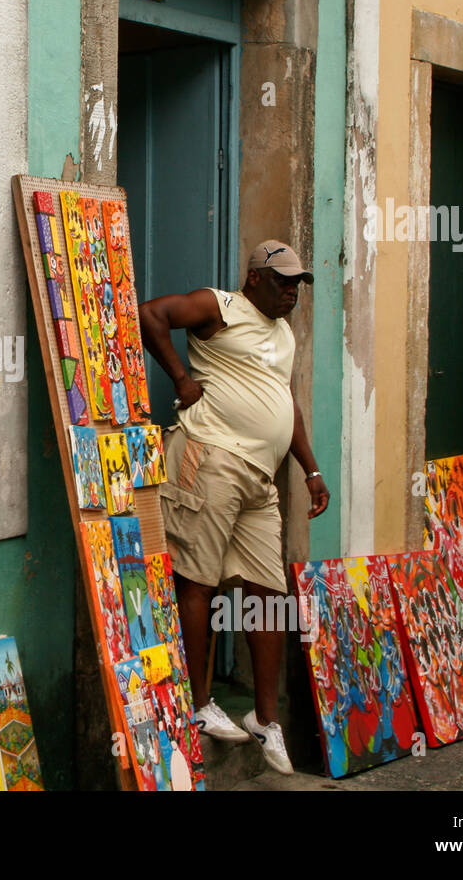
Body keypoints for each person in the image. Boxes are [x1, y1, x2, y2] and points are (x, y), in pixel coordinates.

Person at [138, 240, 331, 775]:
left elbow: (284, 402)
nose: (292, 291)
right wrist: (181, 378)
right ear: (254, 279)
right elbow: (151, 313)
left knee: (269, 591)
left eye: (297, 285)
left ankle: (265, 720)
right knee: (198, 581)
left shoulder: (283, 334)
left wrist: (310, 469)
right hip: (211, 455)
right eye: (283, 281)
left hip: (260, 478)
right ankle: (199, 704)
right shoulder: (220, 306)